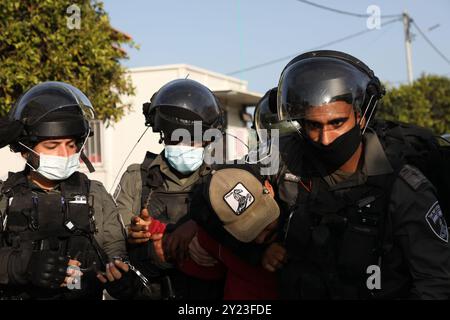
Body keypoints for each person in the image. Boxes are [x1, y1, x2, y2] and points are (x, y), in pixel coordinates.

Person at [265, 50, 450, 299]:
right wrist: (262, 247)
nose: (325, 138)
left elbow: (435, 282)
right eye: (313, 125)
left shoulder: (402, 186)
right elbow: (226, 185)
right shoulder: (290, 165)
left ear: (361, 118)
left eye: (337, 123)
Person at [0, 81, 133, 300]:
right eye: (52, 146)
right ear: (25, 151)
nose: (64, 153)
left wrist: (123, 279)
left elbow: (116, 254)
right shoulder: (6, 196)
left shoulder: (95, 195)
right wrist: (25, 266)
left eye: (71, 145)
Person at [114, 78, 225, 299]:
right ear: (163, 134)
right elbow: (112, 244)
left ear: (207, 140)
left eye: (192, 139)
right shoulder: (137, 178)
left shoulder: (221, 180)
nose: (184, 148)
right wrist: (134, 234)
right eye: (176, 139)